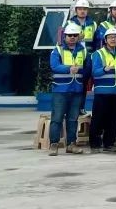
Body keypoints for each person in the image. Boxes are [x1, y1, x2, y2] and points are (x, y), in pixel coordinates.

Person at [48, 22, 87, 156]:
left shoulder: (83, 51)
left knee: (73, 119)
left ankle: (71, 144)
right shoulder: (57, 50)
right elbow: (54, 66)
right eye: (70, 35)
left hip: (76, 89)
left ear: (78, 36)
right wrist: (69, 68)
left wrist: (81, 72)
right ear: (64, 36)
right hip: (60, 90)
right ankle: (54, 144)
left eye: (75, 35)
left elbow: (87, 68)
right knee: (57, 118)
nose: (72, 37)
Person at [90, 27, 116, 153]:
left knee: (113, 119)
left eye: (115, 37)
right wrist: (104, 69)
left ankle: (108, 144)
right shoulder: (98, 53)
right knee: (98, 118)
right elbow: (94, 72)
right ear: (105, 40)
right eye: (110, 37)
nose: (113, 39)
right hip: (103, 92)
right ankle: (94, 144)